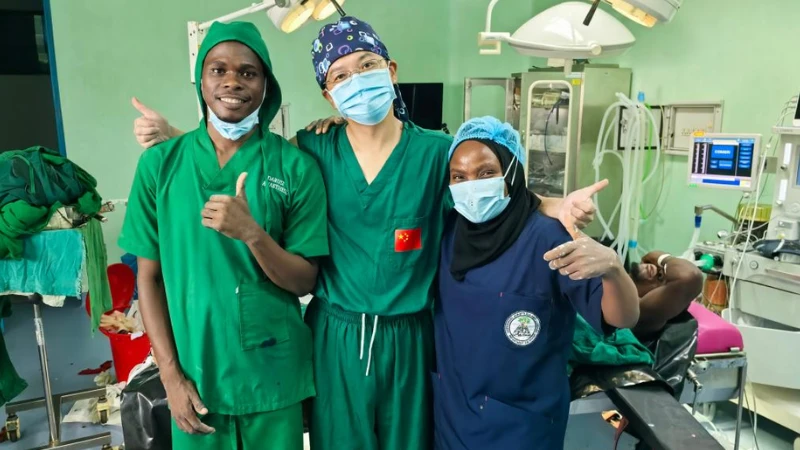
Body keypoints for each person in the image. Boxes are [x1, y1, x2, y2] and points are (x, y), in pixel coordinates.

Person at [130, 16, 602, 450]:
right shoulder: (316, 147)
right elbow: (244, 149)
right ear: (327, 94)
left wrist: (555, 204)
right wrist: (175, 137)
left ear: (391, 69)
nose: (356, 81)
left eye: (367, 66)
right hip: (338, 334)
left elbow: (490, 187)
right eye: (340, 76)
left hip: (412, 336)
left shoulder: (437, 153)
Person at [119, 21, 328, 450]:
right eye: (218, 70)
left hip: (271, 376)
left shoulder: (295, 167)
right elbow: (149, 279)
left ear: (266, 85)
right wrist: (171, 378)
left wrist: (253, 235)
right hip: (196, 378)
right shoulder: (160, 166)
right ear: (202, 80)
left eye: (248, 72)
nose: (232, 81)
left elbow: (305, 279)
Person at [434, 117, 640, 450]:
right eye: (459, 177)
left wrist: (614, 269)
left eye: (486, 172)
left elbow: (622, 318)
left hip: (522, 425)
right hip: (453, 417)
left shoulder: (548, 236)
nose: (471, 186)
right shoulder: (448, 232)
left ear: (512, 171)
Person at [627, 251, 703, 337]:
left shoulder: (642, 311)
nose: (653, 267)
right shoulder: (617, 288)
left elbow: (691, 276)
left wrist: (663, 258)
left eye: (660, 276)